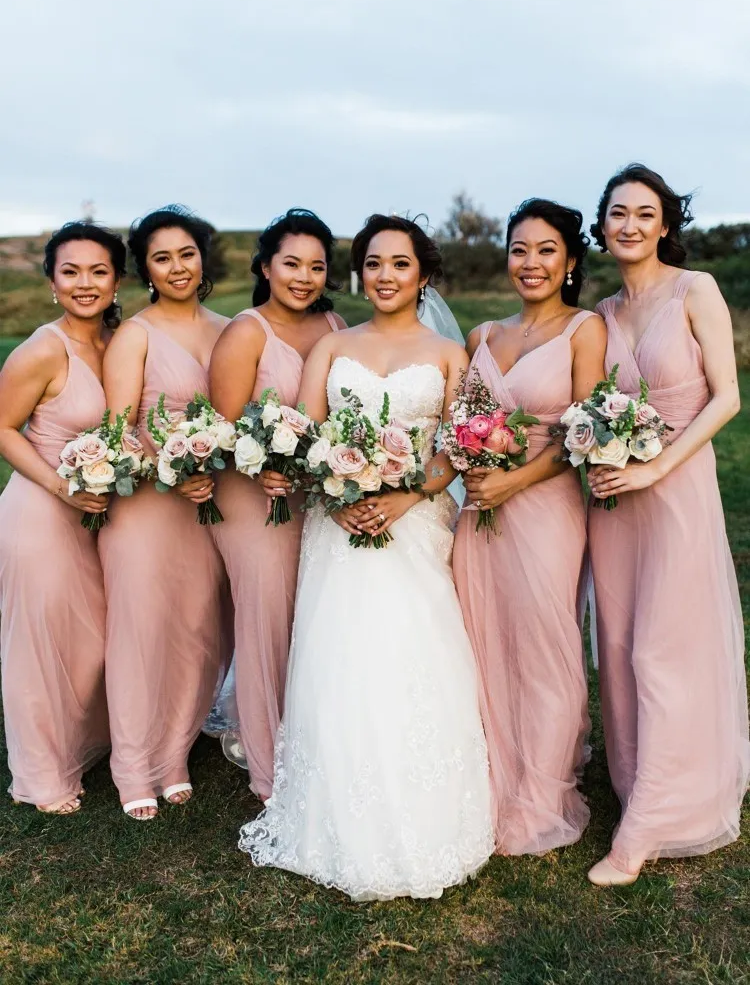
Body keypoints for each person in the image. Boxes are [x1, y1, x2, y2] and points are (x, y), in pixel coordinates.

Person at [238, 215, 493, 901]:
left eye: (399, 264)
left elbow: (464, 444)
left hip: (414, 523)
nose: (384, 276)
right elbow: (304, 434)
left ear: (423, 274)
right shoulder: (332, 346)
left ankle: (425, 813)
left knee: (413, 653)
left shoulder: (446, 353)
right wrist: (335, 490)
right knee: (339, 655)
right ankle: (333, 814)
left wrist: (408, 497)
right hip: (336, 525)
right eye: (373, 263)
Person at [586, 164, 749, 885]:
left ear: (664, 224)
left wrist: (657, 468)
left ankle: (654, 822)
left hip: (676, 487)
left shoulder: (697, 290)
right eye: (617, 213)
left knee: (666, 645)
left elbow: (726, 399)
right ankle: (633, 785)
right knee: (618, 643)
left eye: (644, 213)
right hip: (614, 498)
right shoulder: (603, 315)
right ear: (601, 226)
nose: (629, 225)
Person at [453, 199, 606, 854]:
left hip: (544, 509)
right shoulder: (482, 335)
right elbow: (462, 426)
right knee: (480, 639)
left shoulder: (585, 330)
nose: (531, 263)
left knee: (545, 645)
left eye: (546, 251)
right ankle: (483, 776)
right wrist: (473, 467)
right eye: (520, 249)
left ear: (570, 261)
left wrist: (512, 481)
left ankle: (539, 790)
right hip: (478, 511)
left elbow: (585, 430)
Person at [208, 208, 344, 800]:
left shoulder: (336, 326)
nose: (304, 276)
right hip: (254, 498)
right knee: (264, 618)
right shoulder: (246, 332)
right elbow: (223, 424)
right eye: (291, 263)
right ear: (266, 267)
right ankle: (268, 764)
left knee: (309, 616)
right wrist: (264, 464)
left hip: (317, 498)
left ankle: (311, 737)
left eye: (317, 266)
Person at [100, 205, 229, 820]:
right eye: (162, 257)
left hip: (211, 506)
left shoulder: (230, 329)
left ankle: (174, 752)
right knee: (141, 629)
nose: (178, 267)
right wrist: (169, 470)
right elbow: (117, 431)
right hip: (147, 508)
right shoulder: (136, 335)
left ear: (202, 257)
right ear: (146, 270)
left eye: (186, 253)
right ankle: (131, 762)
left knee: (199, 629)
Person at [0, 221, 125, 813]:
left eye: (98, 271)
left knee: (92, 639)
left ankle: (85, 741)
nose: (85, 283)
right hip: (41, 512)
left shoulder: (119, 341)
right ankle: (43, 776)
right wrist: (59, 485)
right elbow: (2, 428)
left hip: (97, 516)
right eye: (70, 271)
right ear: (52, 282)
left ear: (117, 280)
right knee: (38, 643)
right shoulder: (43, 349)